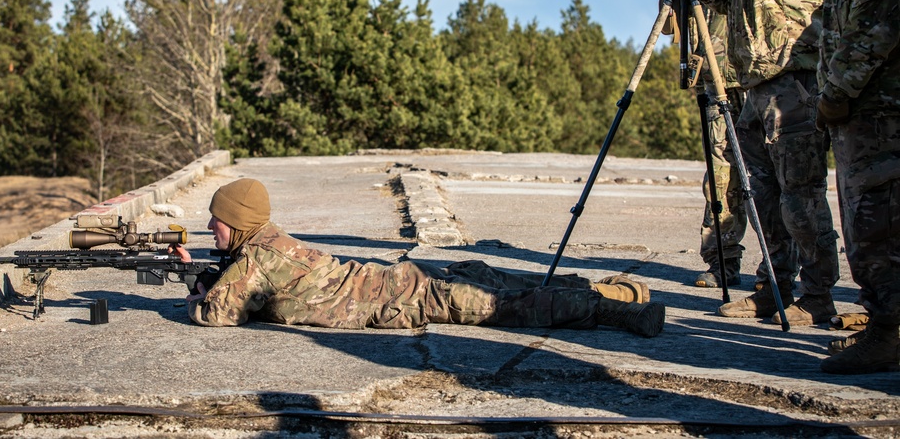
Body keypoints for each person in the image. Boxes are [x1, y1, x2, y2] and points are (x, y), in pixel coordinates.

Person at [171, 178, 666, 337]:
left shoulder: (253, 262)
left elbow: (218, 315)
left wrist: (196, 292)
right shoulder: (269, 241)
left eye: (215, 219)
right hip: (395, 279)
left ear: (235, 221)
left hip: (400, 299)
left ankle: (615, 311)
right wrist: (208, 275)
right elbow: (245, 285)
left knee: (504, 307)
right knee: (486, 277)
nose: (210, 226)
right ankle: (599, 289)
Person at [690, 0, 839, 326]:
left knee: (801, 194)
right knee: (763, 193)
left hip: (794, 83)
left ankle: (817, 296)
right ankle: (773, 284)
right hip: (757, 84)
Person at [816, 0, 900, 375]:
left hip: (877, 110)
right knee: (873, 218)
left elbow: (880, 27)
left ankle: (890, 333)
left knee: (876, 222)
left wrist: (838, 93)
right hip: (868, 105)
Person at [690, 0, 750, 290]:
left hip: (758, 78)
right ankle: (722, 260)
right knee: (720, 172)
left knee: (764, 175)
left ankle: (783, 271)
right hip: (718, 75)